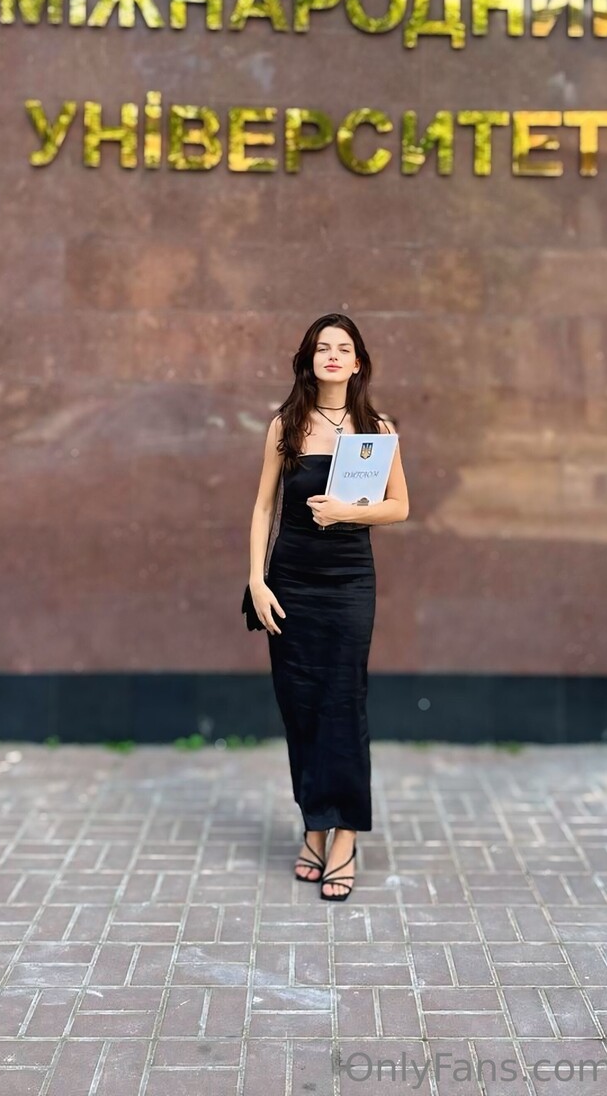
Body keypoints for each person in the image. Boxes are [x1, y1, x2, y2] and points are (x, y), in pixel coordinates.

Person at [247, 313, 409, 901]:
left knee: (343, 703)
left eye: (343, 348)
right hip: (290, 582)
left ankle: (345, 836)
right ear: (309, 360)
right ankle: (314, 825)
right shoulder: (285, 425)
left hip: (348, 584)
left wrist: (347, 512)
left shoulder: (376, 428)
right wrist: (257, 580)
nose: (332, 355)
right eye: (322, 348)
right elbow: (264, 507)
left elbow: (399, 506)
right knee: (301, 707)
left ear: (358, 362)